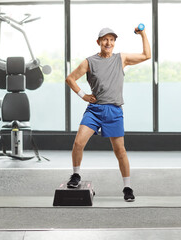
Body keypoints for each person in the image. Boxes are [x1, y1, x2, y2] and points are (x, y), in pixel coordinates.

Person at [65, 26, 151, 202]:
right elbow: (70, 79)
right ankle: (75, 175)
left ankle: (127, 187)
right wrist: (84, 96)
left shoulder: (121, 59)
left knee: (120, 151)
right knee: (78, 142)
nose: (108, 43)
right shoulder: (89, 61)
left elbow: (146, 55)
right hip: (95, 111)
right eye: (105, 39)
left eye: (112, 40)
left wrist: (142, 34)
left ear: (114, 43)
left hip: (114, 111)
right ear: (99, 42)